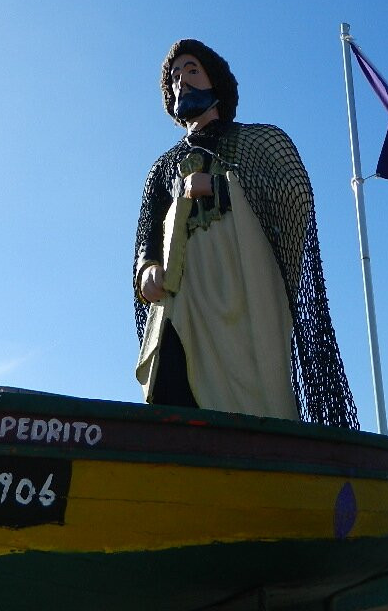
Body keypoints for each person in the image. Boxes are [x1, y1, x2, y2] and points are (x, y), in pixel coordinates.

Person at [132, 38, 358, 429]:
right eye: (174, 77)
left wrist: (220, 188)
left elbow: (294, 194)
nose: (181, 81)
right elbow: (148, 229)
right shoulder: (162, 168)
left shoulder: (257, 141)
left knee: (251, 391)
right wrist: (147, 265)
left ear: (214, 83)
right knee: (171, 371)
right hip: (182, 293)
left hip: (243, 291)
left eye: (191, 71)